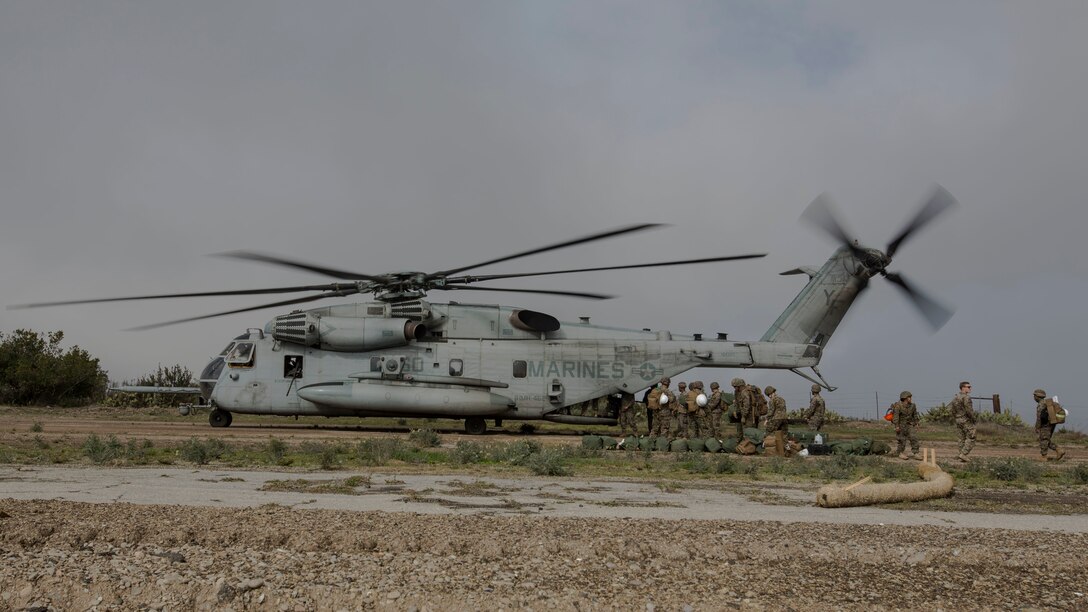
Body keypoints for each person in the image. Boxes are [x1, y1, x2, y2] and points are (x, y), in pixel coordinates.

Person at [1033, 388, 1066, 461]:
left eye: (1034, 395)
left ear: (1037, 396)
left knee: (1043, 439)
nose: (1034, 397)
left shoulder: (1041, 404)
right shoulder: (1046, 403)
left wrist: (1037, 427)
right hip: (1051, 423)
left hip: (1045, 425)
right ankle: (1058, 450)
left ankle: (1044, 457)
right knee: (1046, 439)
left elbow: (1039, 418)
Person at [949, 381, 976, 462]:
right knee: (971, 437)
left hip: (958, 420)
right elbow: (969, 411)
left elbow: (952, 410)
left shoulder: (956, 397)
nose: (970, 388)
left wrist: (956, 417)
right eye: (968, 387)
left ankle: (960, 454)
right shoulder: (967, 398)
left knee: (961, 438)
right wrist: (973, 420)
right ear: (963, 388)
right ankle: (963, 454)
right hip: (966, 420)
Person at [892, 391, 921, 460]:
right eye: (909, 397)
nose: (910, 398)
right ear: (905, 398)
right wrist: (896, 426)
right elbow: (896, 417)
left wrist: (916, 423)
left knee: (913, 438)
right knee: (902, 440)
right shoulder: (898, 406)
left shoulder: (913, 406)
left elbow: (915, 415)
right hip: (901, 425)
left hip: (909, 425)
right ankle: (900, 453)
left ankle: (916, 453)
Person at [764, 386, 788, 456]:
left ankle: (770, 451)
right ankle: (786, 452)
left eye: (768, 395)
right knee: (784, 435)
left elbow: (771, 412)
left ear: (770, 394)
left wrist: (767, 420)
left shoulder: (772, 400)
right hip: (785, 418)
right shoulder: (782, 399)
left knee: (769, 432)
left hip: (776, 418)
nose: (769, 397)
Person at [730, 377, 753, 443]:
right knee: (740, 429)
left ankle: (749, 446)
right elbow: (737, 403)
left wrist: (744, 416)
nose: (734, 388)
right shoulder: (737, 392)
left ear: (739, 386)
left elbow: (747, 405)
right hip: (741, 413)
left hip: (748, 415)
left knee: (748, 431)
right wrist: (736, 411)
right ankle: (742, 444)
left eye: (735, 386)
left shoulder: (744, 392)